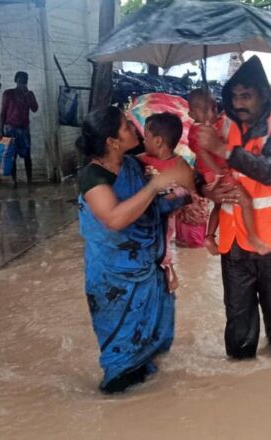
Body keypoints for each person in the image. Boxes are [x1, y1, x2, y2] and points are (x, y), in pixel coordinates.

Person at [195, 56, 271, 359]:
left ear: (263, 95)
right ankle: (240, 382)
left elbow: (269, 171)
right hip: (233, 242)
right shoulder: (223, 124)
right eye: (234, 96)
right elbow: (201, 168)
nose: (239, 103)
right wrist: (207, 188)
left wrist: (224, 150)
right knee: (238, 325)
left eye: (246, 96)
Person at [76, 107, 191, 393]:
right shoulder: (93, 177)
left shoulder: (132, 166)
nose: (134, 129)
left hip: (148, 273)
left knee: (146, 363)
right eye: (127, 127)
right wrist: (154, 187)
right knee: (120, 364)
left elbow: (148, 210)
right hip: (113, 281)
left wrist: (181, 195)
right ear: (111, 142)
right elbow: (115, 218)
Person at [187, 89, 271, 256]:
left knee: (219, 204)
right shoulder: (199, 132)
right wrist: (219, 173)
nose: (211, 114)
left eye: (214, 108)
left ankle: (210, 237)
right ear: (191, 113)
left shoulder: (207, 127)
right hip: (216, 173)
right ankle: (252, 237)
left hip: (212, 174)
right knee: (245, 201)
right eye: (205, 110)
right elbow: (203, 154)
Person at [136, 112, 195, 292]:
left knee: (162, 248)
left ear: (158, 141)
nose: (143, 140)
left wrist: (174, 196)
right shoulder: (138, 161)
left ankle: (168, 274)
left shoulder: (181, 166)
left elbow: (192, 195)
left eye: (146, 136)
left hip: (165, 219)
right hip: (143, 216)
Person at [0, 71, 39, 188]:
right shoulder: (8, 94)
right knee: (12, 156)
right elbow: (3, 113)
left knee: (27, 155)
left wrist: (27, 94)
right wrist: (1, 130)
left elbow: (35, 109)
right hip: (10, 128)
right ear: (16, 80)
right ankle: (14, 181)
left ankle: (30, 181)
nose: (22, 82)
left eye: (24, 80)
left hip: (24, 128)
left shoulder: (29, 94)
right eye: (20, 80)